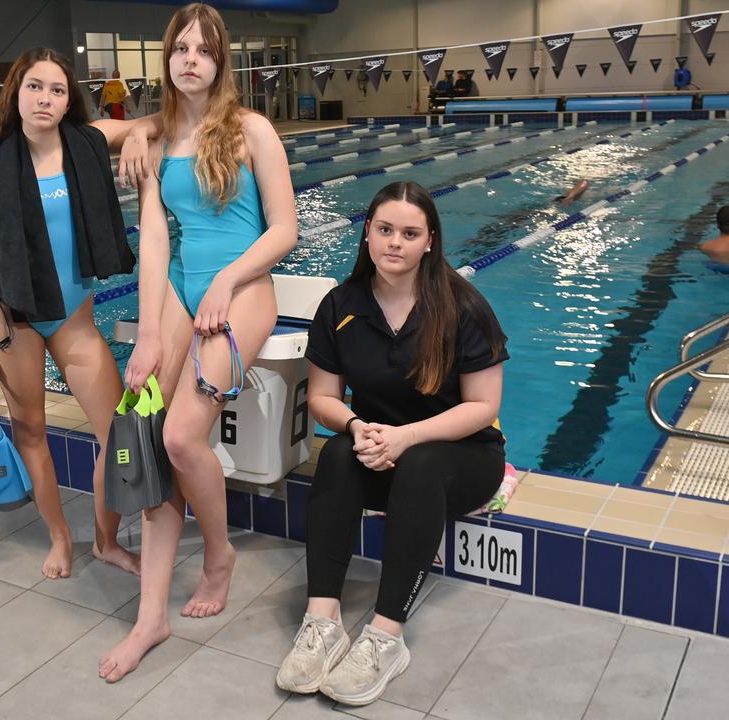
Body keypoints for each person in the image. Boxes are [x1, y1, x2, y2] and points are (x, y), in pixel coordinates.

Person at [97, 1, 297, 683]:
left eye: (203, 50)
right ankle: (150, 616)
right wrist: (149, 332)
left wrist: (229, 282)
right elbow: (154, 239)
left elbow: (284, 230)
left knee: (183, 437)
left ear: (221, 61)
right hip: (181, 289)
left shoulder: (252, 130)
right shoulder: (155, 139)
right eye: (180, 48)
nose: (190, 59)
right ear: (166, 58)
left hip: (242, 288)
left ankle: (219, 555)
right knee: (153, 436)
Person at [276, 181, 507, 707]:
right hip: (380, 449)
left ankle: (386, 635)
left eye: (409, 233)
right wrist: (358, 427)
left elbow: (482, 407)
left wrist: (406, 437)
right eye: (385, 230)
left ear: (430, 240)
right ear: (367, 234)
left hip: (462, 459)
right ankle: (323, 620)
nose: (394, 243)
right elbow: (323, 397)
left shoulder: (462, 305)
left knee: (422, 463)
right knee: (335, 453)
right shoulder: (342, 304)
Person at [0, 47, 153, 579]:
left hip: (73, 320)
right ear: (16, 93)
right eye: (34, 87)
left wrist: (136, 134)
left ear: (68, 99)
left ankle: (105, 540)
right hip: (12, 321)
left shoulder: (87, 141)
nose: (45, 98)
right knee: (31, 431)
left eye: (56, 89)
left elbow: (156, 121)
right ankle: (58, 536)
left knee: (118, 430)